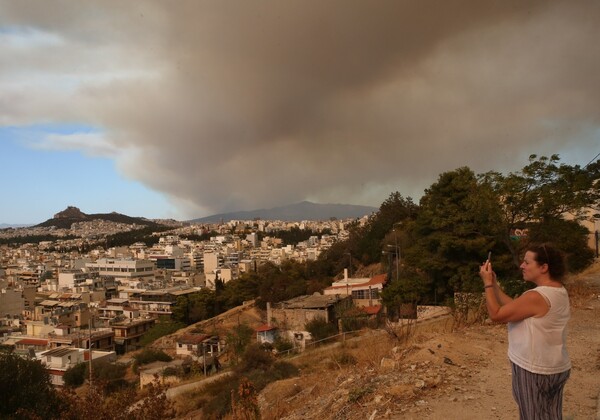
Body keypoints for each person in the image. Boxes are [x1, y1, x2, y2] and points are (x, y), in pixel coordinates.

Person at [479, 243, 571, 420]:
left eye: (527, 262)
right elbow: (514, 307)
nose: (522, 265)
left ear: (544, 267)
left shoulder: (536, 296)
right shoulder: (557, 290)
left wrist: (488, 285)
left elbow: (496, 315)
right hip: (554, 367)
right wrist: (495, 285)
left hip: (534, 371)